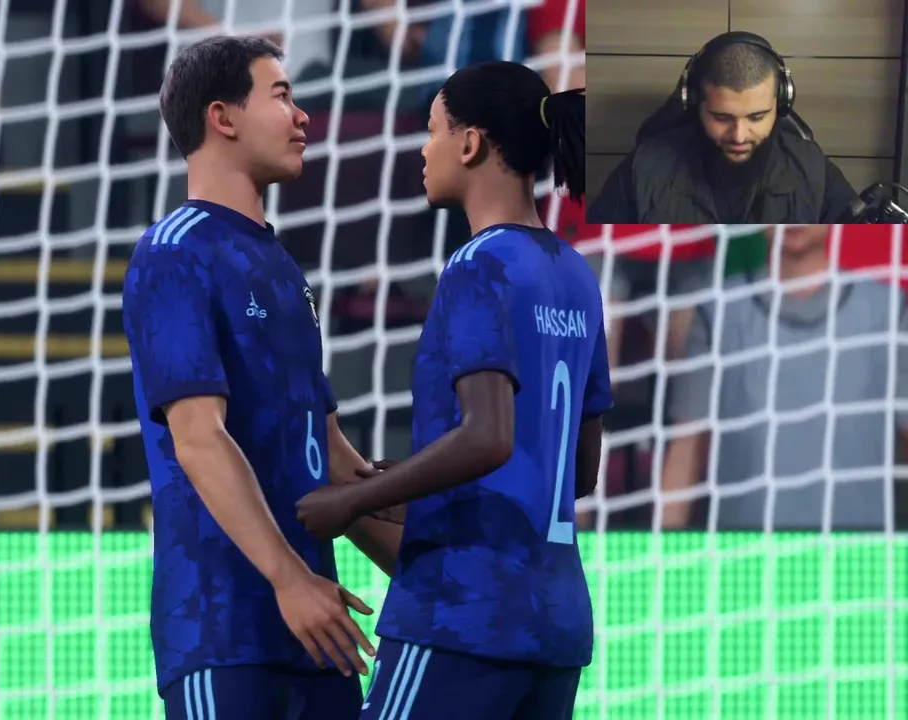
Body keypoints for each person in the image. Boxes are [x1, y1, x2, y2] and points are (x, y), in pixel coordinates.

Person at [295, 61, 609, 719]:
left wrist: (355, 500)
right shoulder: (576, 274)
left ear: (470, 144)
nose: (424, 148)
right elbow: (577, 472)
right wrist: (415, 487)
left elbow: (488, 437)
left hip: (462, 615)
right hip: (557, 625)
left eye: (433, 129)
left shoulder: (479, 264)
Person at [121, 36, 402, 720]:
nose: (301, 115)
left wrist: (434, 577)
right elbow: (198, 438)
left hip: (319, 629)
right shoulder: (174, 252)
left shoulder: (279, 264)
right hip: (225, 630)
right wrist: (289, 579)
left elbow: (330, 454)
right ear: (223, 117)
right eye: (281, 95)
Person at [660, 224, 908, 531]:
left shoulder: (890, 312)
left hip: (856, 555)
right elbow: (686, 450)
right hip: (744, 552)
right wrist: (659, 548)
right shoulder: (718, 312)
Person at [588, 32, 857, 223]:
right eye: (721, 117)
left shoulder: (812, 169)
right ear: (694, 103)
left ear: (781, 103)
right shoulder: (643, 169)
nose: (739, 135)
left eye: (757, 117)